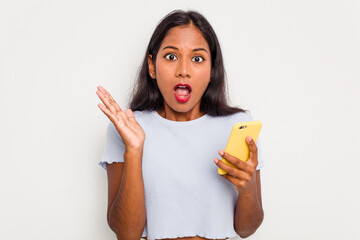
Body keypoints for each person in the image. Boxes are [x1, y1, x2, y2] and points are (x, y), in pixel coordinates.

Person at [96, 10, 264, 240]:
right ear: (152, 66)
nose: (183, 70)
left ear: (212, 69)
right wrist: (134, 150)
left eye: (197, 59)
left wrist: (247, 189)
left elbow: (246, 229)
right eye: (171, 57)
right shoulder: (127, 128)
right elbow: (126, 235)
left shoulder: (236, 126)